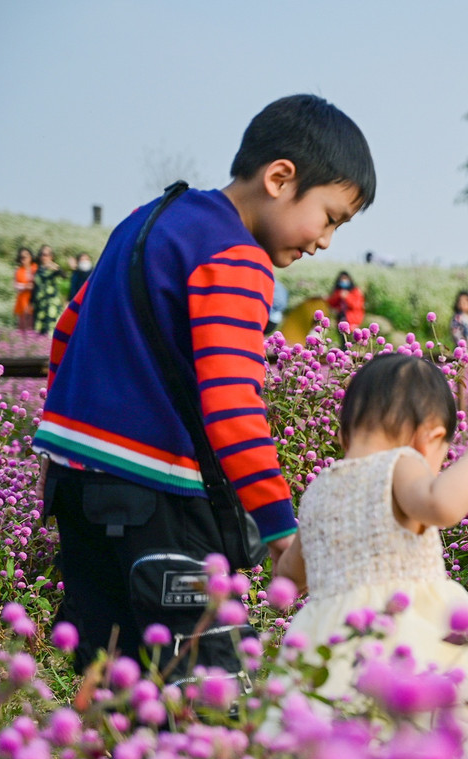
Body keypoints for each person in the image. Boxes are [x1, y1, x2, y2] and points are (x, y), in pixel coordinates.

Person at [32, 94, 376, 678]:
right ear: (280, 178)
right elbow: (231, 402)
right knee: (205, 684)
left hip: (77, 492)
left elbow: (68, 329)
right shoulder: (237, 258)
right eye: (330, 216)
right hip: (161, 502)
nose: (324, 241)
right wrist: (278, 527)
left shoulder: (146, 221)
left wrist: (59, 445)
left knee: (112, 678)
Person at [276, 353, 468, 749]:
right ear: (429, 438)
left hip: (330, 645)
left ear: (343, 435)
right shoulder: (402, 462)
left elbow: (288, 578)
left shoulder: (318, 489)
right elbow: (443, 505)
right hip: (406, 634)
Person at [31, 245, 64, 335]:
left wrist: (57, 268)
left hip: (52, 304)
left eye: (46, 255)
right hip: (40, 304)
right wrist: (32, 302)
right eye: (42, 254)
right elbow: (36, 288)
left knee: (51, 328)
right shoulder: (38, 270)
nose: (44, 257)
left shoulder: (55, 269)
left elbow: (64, 276)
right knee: (39, 330)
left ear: (51, 256)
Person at [13, 247, 36, 332]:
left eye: (25, 256)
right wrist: (25, 286)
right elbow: (15, 285)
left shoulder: (36, 268)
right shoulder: (18, 270)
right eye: (21, 257)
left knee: (31, 323)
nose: (23, 258)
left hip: (33, 298)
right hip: (22, 299)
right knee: (22, 325)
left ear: (30, 257)